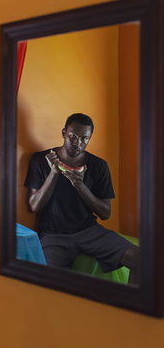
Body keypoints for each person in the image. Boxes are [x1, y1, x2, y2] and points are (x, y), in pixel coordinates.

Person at [24, 113, 139, 284]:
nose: (78, 143)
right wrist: (54, 173)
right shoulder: (41, 160)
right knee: (48, 285)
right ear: (64, 133)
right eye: (73, 136)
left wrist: (80, 187)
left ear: (89, 138)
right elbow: (34, 206)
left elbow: (105, 213)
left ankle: (129, 309)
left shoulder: (99, 166)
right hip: (54, 235)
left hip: (89, 231)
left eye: (84, 139)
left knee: (143, 261)